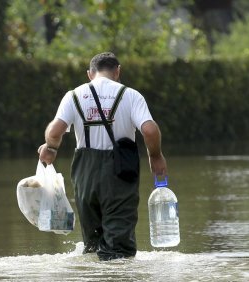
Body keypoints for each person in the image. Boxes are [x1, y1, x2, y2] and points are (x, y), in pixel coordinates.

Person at [38, 52, 168, 260]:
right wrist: (155, 155)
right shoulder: (131, 95)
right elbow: (150, 131)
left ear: (90, 74)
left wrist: (51, 148)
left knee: (93, 243)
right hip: (120, 172)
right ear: (118, 71)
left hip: (84, 173)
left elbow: (54, 132)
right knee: (119, 247)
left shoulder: (73, 95)